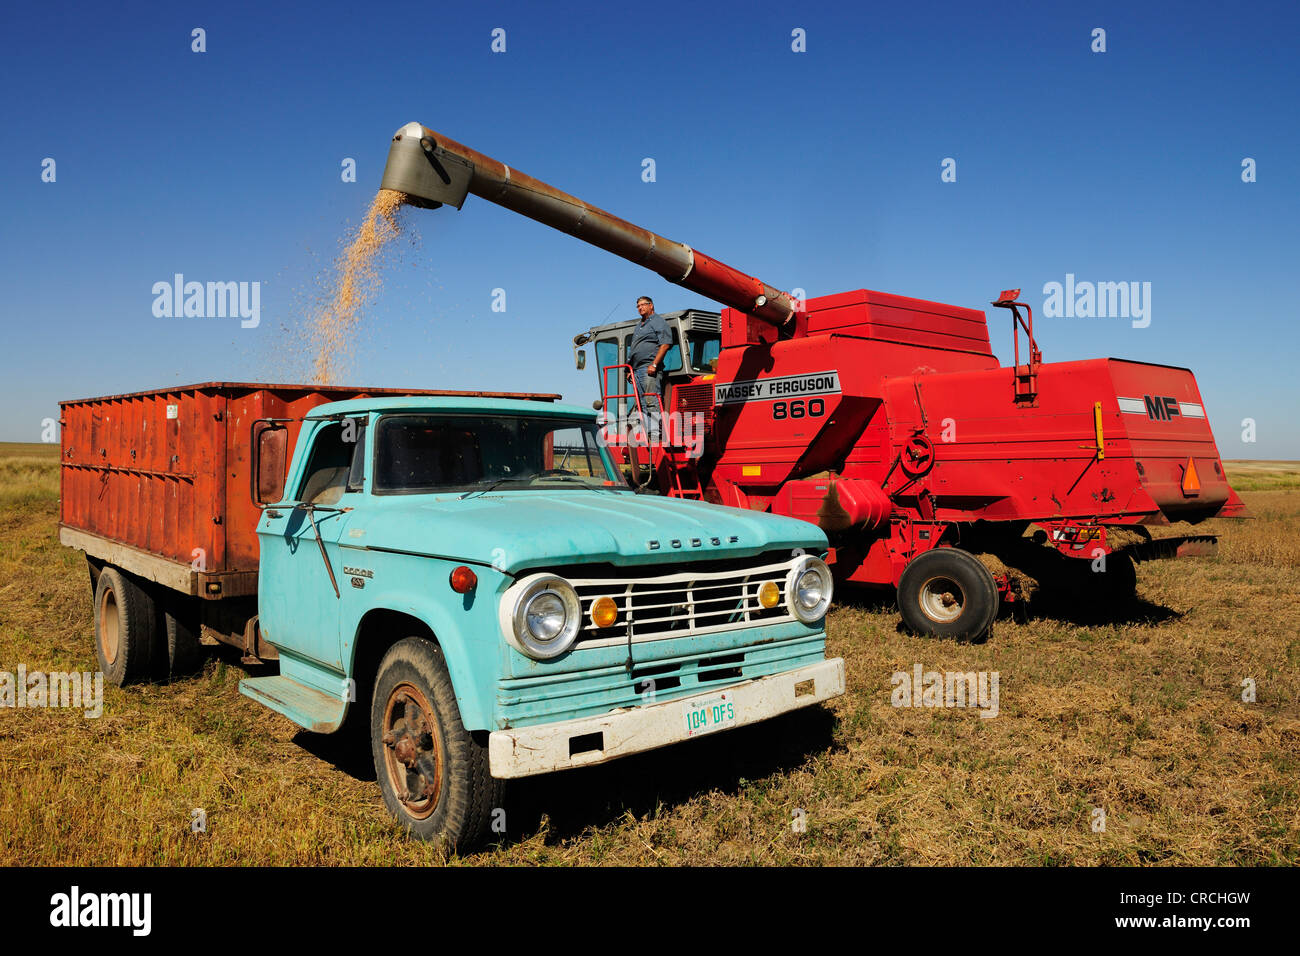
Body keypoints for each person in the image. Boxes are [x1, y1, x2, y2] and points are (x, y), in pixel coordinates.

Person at [627, 295, 672, 441]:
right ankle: (647, 433)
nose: (640, 308)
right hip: (637, 370)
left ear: (651, 305)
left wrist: (654, 364)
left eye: (643, 305)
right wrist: (631, 370)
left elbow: (665, 344)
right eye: (638, 306)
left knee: (651, 401)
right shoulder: (639, 326)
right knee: (641, 403)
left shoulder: (658, 322)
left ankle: (654, 434)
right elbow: (635, 348)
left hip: (649, 368)